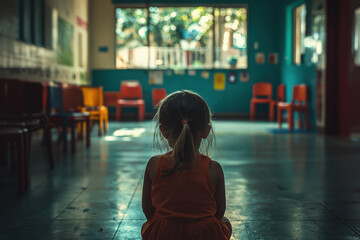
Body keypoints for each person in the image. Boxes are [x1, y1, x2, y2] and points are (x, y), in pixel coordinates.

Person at [141, 90, 232, 240]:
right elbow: (219, 213)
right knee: (226, 223)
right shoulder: (214, 169)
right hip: (204, 234)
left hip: (164, 234)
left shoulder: (153, 165)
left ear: (163, 131)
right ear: (206, 131)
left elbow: (148, 210)